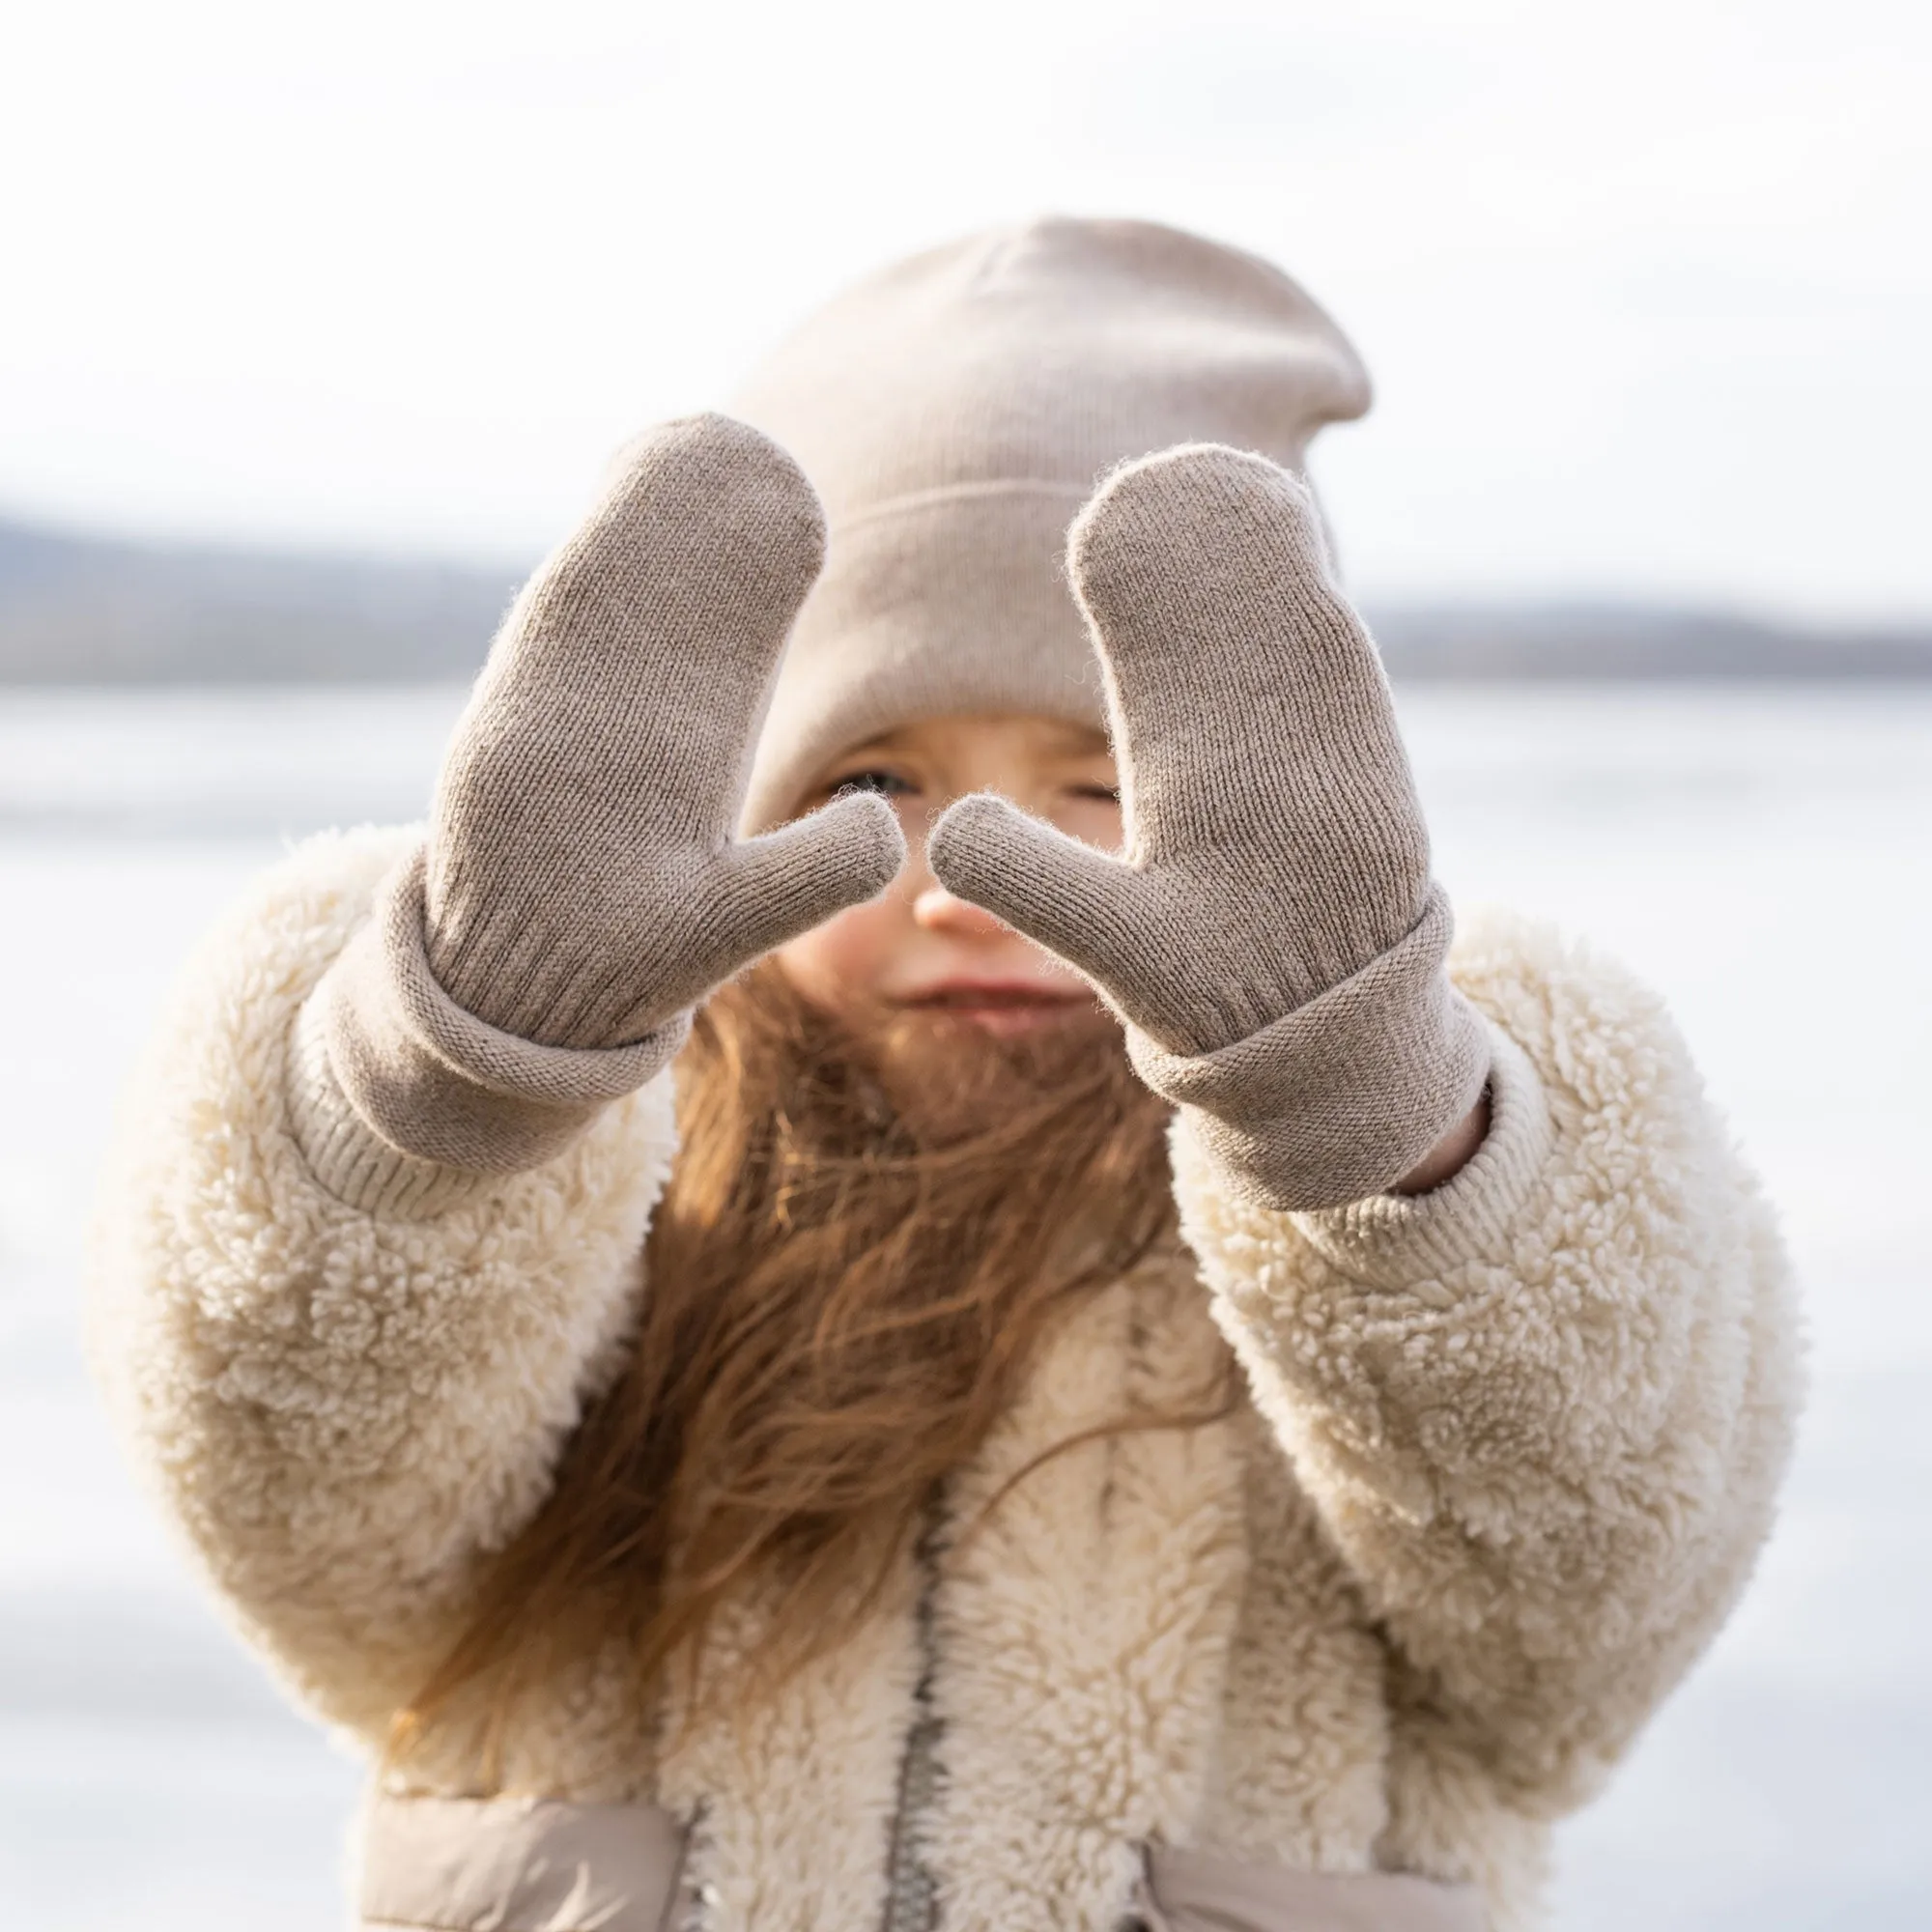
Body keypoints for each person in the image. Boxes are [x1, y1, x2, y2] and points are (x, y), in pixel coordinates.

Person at [89, 219, 1801, 1932]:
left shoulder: (1364, 1232)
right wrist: (439, 1099)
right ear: (736, 802)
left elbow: (1591, 1602)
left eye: (1100, 783)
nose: (968, 880)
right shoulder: (611, 1197)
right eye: (882, 770)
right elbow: (302, 1499)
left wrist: (1398, 1147)